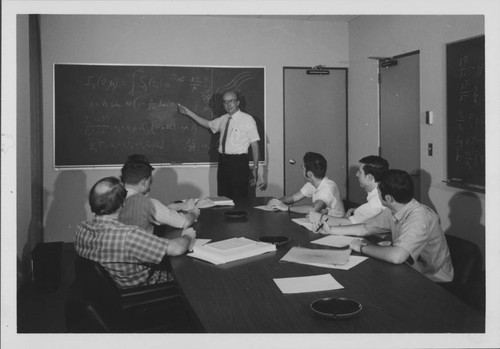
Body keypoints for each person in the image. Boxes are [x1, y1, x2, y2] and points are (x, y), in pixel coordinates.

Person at [316, 169, 454, 282]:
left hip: (433, 281)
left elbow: (397, 256)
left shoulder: (420, 218)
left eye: (379, 191)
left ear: (388, 198)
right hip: (412, 270)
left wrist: (362, 247)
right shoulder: (397, 208)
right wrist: (332, 230)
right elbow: (366, 227)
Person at [75, 177, 196, 288]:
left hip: (106, 291)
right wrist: (188, 236)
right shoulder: (128, 236)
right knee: (188, 274)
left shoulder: (81, 229)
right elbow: (177, 248)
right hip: (143, 289)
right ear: (122, 203)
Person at [178, 91, 263, 200]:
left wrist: (256, 169)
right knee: (224, 197)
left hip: (238, 163)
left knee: (240, 197)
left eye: (231, 101)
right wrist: (188, 113)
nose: (228, 105)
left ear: (238, 102)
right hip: (223, 162)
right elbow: (208, 124)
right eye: (225, 102)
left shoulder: (247, 119)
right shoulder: (224, 119)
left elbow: (255, 145)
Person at [118, 156, 200, 234]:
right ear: (144, 182)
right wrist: (194, 213)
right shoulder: (148, 204)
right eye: (150, 181)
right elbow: (183, 222)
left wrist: (181, 206)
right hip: (147, 245)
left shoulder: (113, 197)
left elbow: (157, 212)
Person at [308, 155, 388, 227]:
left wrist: (320, 217)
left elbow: (349, 224)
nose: (356, 174)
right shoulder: (380, 196)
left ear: (369, 177)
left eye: (360, 172)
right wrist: (358, 211)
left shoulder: (375, 204)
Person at [267, 152, 345, 215]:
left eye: (302, 168)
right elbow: (292, 198)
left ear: (309, 174)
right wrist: (276, 202)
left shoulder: (328, 187)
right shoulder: (312, 184)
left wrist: (287, 208)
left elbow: (314, 208)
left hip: (337, 226)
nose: (301, 171)